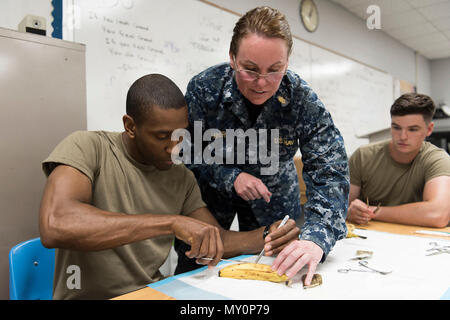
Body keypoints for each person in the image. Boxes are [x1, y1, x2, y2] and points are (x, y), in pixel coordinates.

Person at [38, 74, 299, 300]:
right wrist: (171, 223)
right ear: (130, 126)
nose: (174, 147)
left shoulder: (180, 177)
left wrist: (268, 235)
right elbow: (56, 224)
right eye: (161, 136)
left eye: (179, 135)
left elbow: (215, 238)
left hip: (153, 292)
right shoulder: (88, 148)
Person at [174, 6, 349, 286]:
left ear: (287, 63)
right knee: (195, 267)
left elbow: (330, 170)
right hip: (209, 195)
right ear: (232, 58)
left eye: (275, 70)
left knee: (278, 272)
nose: (262, 83)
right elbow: (184, 152)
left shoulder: (301, 99)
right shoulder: (204, 89)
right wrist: (230, 177)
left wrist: (317, 236)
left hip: (275, 197)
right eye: (251, 70)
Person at [347, 93, 450, 228]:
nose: (403, 137)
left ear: (429, 129)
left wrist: (373, 211)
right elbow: (340, 205)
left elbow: (437, 214)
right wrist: (349, 211)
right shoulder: (363, 156)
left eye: (412, 129)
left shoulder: (438, 160)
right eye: (396, 127)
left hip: (415, 241)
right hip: (368, 237)